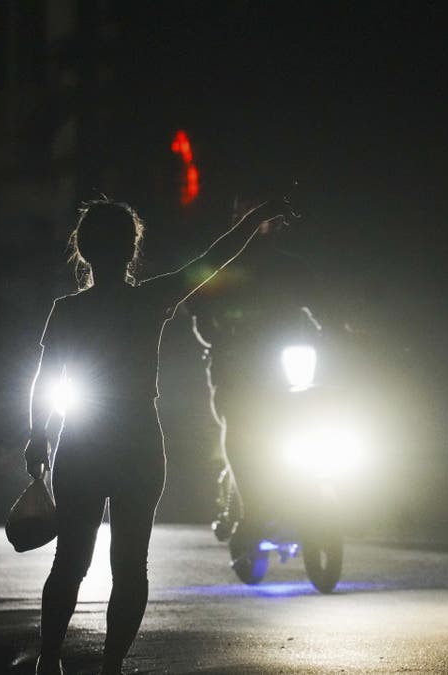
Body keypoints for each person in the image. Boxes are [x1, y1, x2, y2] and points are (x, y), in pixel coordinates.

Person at [24, 198, 286, 675]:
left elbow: (45, 383)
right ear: (131, 250)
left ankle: (48, 660)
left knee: (70, 561)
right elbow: (217, 255)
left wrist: (37, 437)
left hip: (81, 443)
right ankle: (111, 665)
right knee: (130, 566)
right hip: (139, 442)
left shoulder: (66, 311)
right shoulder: (150, 299)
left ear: (82, 251)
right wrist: (258, 215)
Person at [185, 227, 323, 560]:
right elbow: (196, 305)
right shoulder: (220, 263)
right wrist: (216, 333)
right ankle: (251, 510)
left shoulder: (293, 266)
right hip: (235, 365)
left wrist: (347, 329)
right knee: (240, 427)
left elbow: (325, 305)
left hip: (282, 366)